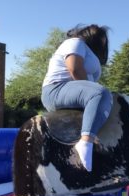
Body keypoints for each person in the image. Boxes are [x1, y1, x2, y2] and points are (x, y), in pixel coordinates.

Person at [41, 24, 112, 172]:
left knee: (110, 99)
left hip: (73, 92)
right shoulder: (76, 42)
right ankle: (85, 143)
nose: (103, 43)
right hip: (56, 90)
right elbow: (74, 68)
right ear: (91, 36)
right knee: (101, 93)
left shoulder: (89, 52)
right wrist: (94, 94)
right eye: (100, 39)